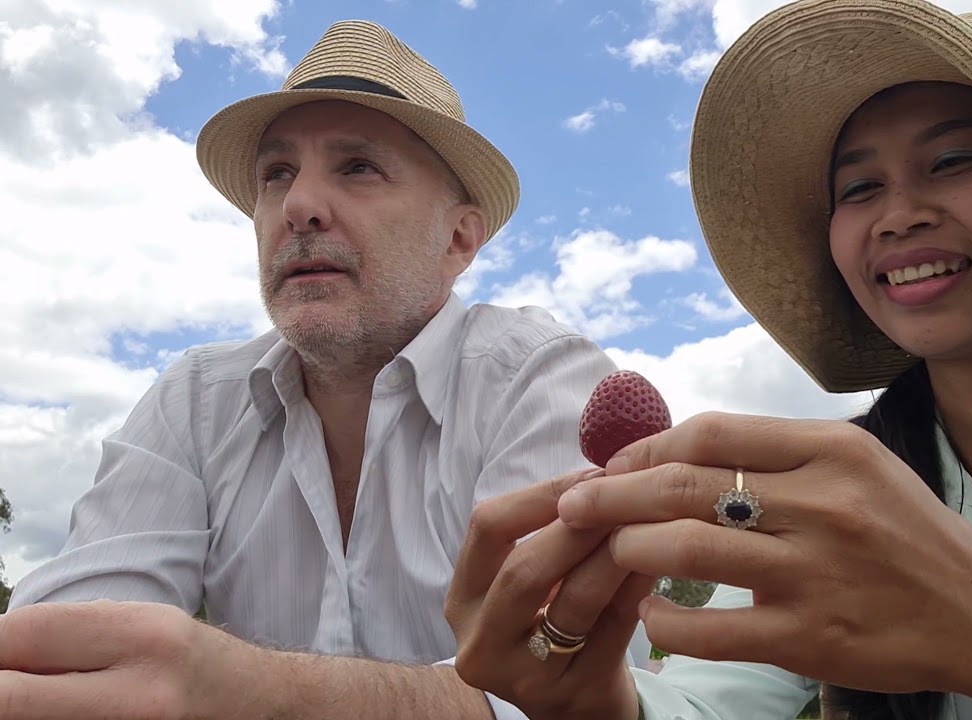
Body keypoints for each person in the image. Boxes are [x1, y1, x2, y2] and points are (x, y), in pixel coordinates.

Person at [442, 1, 972, 719]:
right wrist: (600, 704)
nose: (897, 214)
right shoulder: (829, 493)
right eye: (858, 189)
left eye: (952, 161)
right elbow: (705, 701)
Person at [2, 19, 627, 719]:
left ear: (458, 238)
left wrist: (259, 692)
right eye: (276, 174)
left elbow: (555, 687)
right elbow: (59, 656)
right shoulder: (194, 400)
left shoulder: (540, 379)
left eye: (358, 166)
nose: (297, 207)